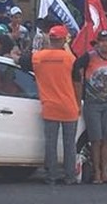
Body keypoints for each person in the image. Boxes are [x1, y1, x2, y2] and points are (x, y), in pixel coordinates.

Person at [33, 25, 80, 185]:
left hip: (50, 106)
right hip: (68, 106)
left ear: (50, 39)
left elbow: (23, 61)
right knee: (69, 144)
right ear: (64, 40)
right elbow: (77, 81)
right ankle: (70, 176)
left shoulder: (38, 57)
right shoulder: (69, 59)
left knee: (50, 143)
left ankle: (51, 176)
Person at [73, 29, 107, 185]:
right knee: (95, 139)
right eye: (102, 41)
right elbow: (76, 69)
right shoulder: (89, 57)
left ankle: (105, 172)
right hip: (92, 102)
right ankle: (97, 173)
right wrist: (79, 93)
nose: (104, 44)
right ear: (97, 43)